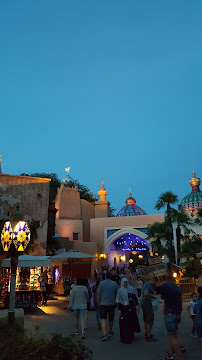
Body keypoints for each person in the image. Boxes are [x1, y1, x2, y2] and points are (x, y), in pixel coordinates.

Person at [161, 272, 185, 360]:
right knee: (176, 330)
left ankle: (171, 353)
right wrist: (180, 311)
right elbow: (181, 300)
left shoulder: (164, 286)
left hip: (169, 312)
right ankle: (180, 346)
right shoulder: (177, 288)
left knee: (171, 335)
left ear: (166, 278)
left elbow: (163, 297)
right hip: (177, 312)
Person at [116, 278, 140, 344]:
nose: (125, 284)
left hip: (131, 308)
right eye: (124, 282)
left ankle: (131, 335)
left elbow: (134, 298)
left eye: (126, 282)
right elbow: (119, 301)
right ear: (122, 283)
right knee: (124, 324)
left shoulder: (130, 289)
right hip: (124, 309)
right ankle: (125, 338)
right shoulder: (120, 290)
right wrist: (119, 310)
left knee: (131, 322)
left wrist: (137, 306)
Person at [97, 271, 118, 341]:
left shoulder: (102, 283)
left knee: (103, 318)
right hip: (111, 303)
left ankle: (104, 334)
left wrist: (98, 302)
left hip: (103, 303)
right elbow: (116, 294)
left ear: (105, 276)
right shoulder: (114, 284)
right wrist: (115, 302)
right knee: (111, 318)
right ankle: (110, 331)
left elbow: (98, 294)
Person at [141, 276, 158, 342]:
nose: (155, 284)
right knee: (149, 318)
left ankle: (147, 333)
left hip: (144, 302)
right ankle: (148, 336)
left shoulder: (146, 284)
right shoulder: (148, 285)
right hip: (146, 303)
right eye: (155, 283)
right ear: (153, 280)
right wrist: (153, 296)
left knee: (146, 319)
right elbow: (146, 293)